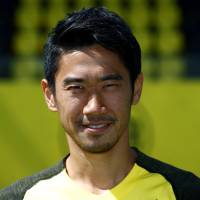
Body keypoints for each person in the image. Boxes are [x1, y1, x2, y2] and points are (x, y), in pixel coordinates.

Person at [0, 6, 200, 200]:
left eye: (110, 85)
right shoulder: (20, 197)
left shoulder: (185, 192)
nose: (94, 107)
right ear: (49, 95)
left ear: (136, 89)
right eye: (76, 88)